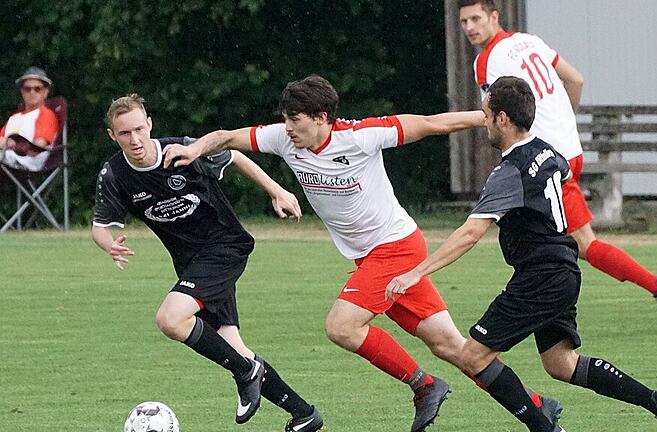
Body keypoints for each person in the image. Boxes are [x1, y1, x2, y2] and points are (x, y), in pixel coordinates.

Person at [162, 75, 562, 432]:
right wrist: (195, 148)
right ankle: (539, 406)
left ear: (321, 117)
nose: (287, 128)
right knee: (453, 347)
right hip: (371, 257)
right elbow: (227, 136)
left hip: (396, 249)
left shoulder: (362, 136)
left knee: (341, 326)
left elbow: (431, 123)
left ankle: (424, 386)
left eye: (294, 119)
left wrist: (489, 116)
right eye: (284, 119)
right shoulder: (283, 139)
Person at [386, 76, 657, 432]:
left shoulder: (508, 171)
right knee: (561, 364)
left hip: (539, 275)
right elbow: (559, 178)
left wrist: (416, 272)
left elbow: (470, 233)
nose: (483, 122)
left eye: (486, 115)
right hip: (564, 268)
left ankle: (544, 427)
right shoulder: (549, 152)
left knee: (472, 356)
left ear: (502, 119)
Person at [91, 94, 323, 432]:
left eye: (139, 129)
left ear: (149, 124)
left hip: (225, 247)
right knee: (233, 346)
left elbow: (236, 158)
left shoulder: (181, 152)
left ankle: (245, 372)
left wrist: (276, 191)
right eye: (125, 133)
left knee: (170, 319)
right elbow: (99, 228)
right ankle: (304, 414)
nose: (135, 139)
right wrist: (108, 245)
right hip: (192, 265)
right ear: (113, 135)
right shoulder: (114, 174)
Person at [457, 0, 657, 331]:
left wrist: (441, 123)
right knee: (562, 240)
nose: (469, 27)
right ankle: (557, 307)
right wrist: (563, 122)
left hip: (547, 159)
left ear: (494, 17)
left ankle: (654, 285)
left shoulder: (487, 61)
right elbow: (575, 79)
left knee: (578, 245)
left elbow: (493, 115)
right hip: (570, 150)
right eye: (464, 21)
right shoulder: (530, 41)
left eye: (476, 18)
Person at [0, 67, 60, 172]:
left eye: (37, 89)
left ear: (45, 92)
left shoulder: (46, 115)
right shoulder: (14, 118)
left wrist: (14, 144)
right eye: (27, 89)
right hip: (6, 159)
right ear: (22, 92)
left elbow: (37, 148)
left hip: (27, 162)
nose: (32, 92)